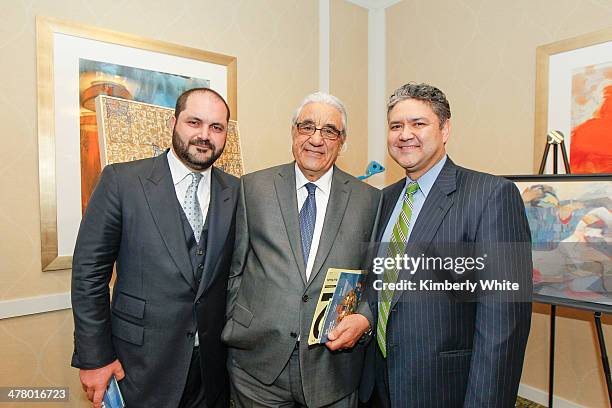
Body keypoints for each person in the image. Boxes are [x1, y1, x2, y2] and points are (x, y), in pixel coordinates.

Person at [360, 83, 533, 407]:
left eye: (418, 124)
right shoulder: (384, 200)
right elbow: (380, 285)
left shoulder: (491, 196)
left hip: (445, 388)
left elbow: (503, 325)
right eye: (396, 126)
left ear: (445, 129)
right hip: (379, 385)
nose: (404, 134)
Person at [71, 88, 239, 408]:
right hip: (138, 365)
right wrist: (95, 358)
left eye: (216, 127)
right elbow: (88, 274)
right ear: (173, 123)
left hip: (211, 370)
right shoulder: (122, 182)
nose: (204, 135)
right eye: (194, 122)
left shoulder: (236, 191)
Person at [222, 92, 381, 407]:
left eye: (329, 131)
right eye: (307, 127)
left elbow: (376, 278)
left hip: (332, 372)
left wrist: (363, 318)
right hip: (257, 368)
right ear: (294, 131)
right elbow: (234, 268)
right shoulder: (252, 188)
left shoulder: (370, 201)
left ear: (342, 141)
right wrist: (236, 322)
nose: (316, 139)